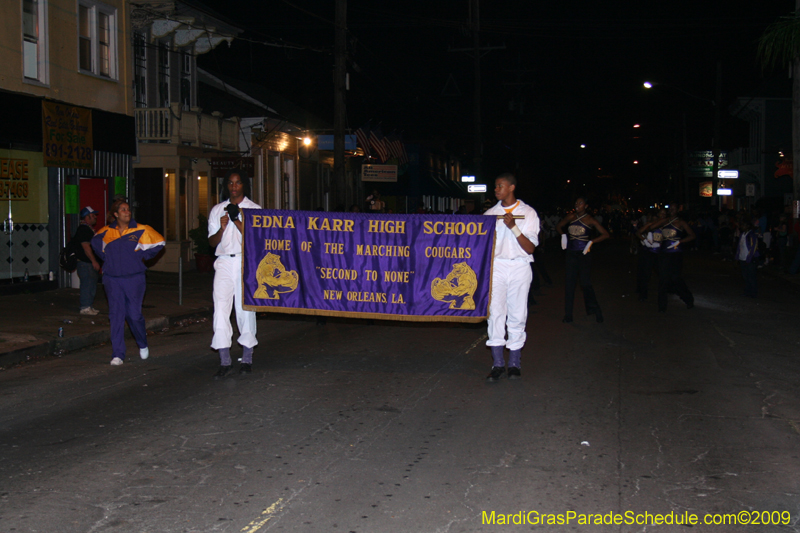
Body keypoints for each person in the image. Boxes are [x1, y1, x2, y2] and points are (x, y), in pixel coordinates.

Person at [91, 201, 165, 365]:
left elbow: (160, 242)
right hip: (112, 279)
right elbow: (95, 245)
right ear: (115, 214)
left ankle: (142, 342)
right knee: (116, 315)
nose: (127, 212)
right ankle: (118, 354)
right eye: (123, 209)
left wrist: (143, 257)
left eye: (128, 209)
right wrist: (109, 261)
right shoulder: (105, 232)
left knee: (134, 314)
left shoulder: (141, 229)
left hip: (134, 279)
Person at [483, 173, 539, 382]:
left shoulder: (528, 213)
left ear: (512, 187)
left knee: (517, 314)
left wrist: (513, 226)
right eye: (495, 186)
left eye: (500, 186)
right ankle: (498, 363)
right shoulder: (490, 213)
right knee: (495, 313)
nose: (496, 189)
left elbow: (530, 247)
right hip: (496, 267)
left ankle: (514, 363)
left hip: (519, 266)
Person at [208, 170, 262, 379]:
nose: (234, 186)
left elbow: (256, 240)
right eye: (230, 183)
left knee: (245, 309)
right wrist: (221, 229)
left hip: (244, 261)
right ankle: (224, 359)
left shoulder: (254, 209)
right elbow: (212, 242)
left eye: (238, 183)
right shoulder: (217, 210)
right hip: (223, 261)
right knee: (221, 308)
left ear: (244, 185)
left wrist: (238, 220)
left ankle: (247, 358)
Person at [556, 197, 609, 323]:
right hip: (571, 254)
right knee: (569, 284)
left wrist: (591, 242)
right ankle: (568, 315)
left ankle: (595, 310)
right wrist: (563, 235)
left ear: (586, 205)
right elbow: (558, 226)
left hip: (584, 255)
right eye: (576, 203)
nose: (577, 205)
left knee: (585, 283)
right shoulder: (571, 217)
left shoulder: (590, 219)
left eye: (580, 203)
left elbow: (605, 234)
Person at [653, 204, 696, 312]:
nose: (671, 210)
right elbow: (651, 227)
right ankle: (662, 306)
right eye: (670, 208)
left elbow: (692, 235)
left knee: (675, 278)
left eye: (673, 208)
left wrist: (680, 241)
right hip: (664, 253)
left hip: (676, 253)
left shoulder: (681, 222)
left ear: (677, 210)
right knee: (663, 279)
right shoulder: (665, 221)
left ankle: (688, 299)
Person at [74, 206, 102, 315]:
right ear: (87, 216)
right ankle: (85, 307)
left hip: (88, 263)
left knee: (91, 284)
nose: (95, 217)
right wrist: (94, 260)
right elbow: (86, 247)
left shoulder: (88, 229)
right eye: (93, 215)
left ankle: (89, 305)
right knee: (87, 284)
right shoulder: (84, 229)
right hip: (86, 263)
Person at [634, 208, 666, 301]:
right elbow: (638, 232)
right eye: (661, 213)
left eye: (665, 213)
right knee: (645, 274)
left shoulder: (667, 225)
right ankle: (643, 295)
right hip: (649, 253)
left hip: (661, 253)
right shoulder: (651, 224)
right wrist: (644, 240)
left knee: (663, 274)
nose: (663, 215)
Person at [737, 218, 759, 297]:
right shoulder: (743, 234)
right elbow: (740, 246)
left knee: (751, 276)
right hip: (742, 257)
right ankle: (748, 291)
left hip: (749, 258)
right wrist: (737, 256)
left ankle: (753, 292)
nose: (741, 226)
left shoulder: (751, 235)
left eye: (743, 225)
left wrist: (749, 258)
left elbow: (753, 247)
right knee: (745, 276)